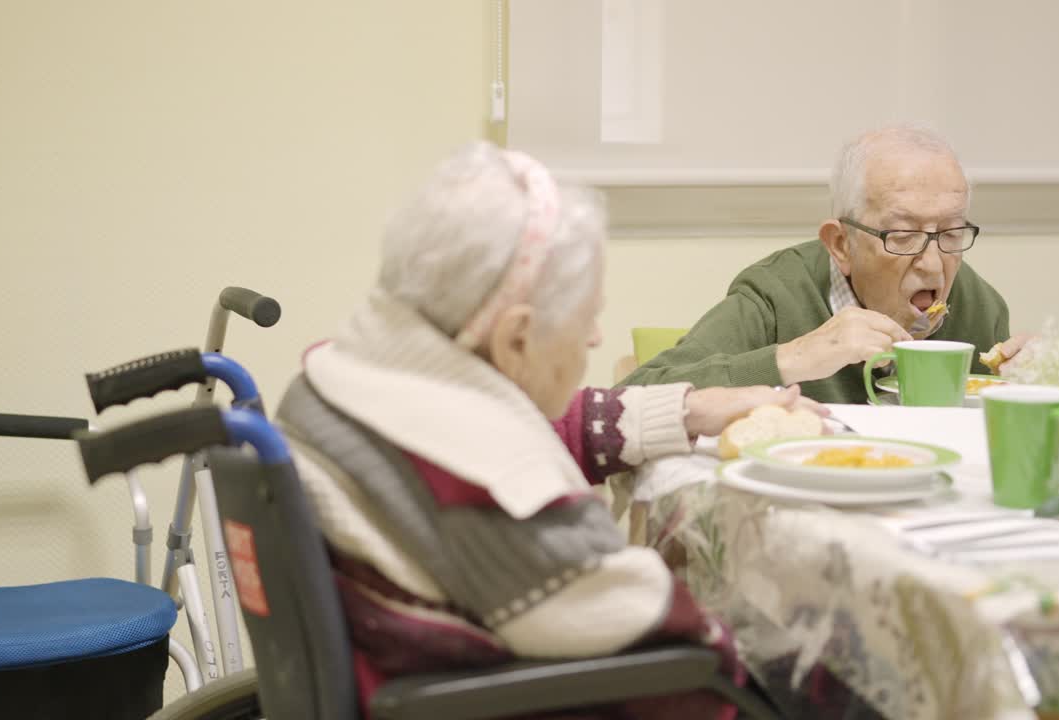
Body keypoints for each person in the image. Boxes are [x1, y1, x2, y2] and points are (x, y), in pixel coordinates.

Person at [274, 142, 834, 718]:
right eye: (588, 317)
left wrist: (688, 411)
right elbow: (675, 646)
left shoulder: (334, 381)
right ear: (516, 338)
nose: (594, 339)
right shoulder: (492, 488)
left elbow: (519, 424)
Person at [621, 125, 1031, 403]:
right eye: (902, 235)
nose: (932, 263)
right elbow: (630, 401)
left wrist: (1040, 387)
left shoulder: (980, 306)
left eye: (950, 233)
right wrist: (793, 357)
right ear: (841, 244)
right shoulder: (777, 294)